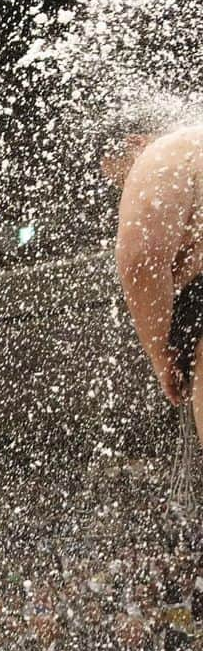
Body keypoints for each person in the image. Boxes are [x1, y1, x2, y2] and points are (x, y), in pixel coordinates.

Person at [106, 120, 203, 441]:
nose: (122, 187)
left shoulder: (160, 153)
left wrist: (161, 354)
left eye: (118, 175)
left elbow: (141, 260)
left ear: (136, 142)